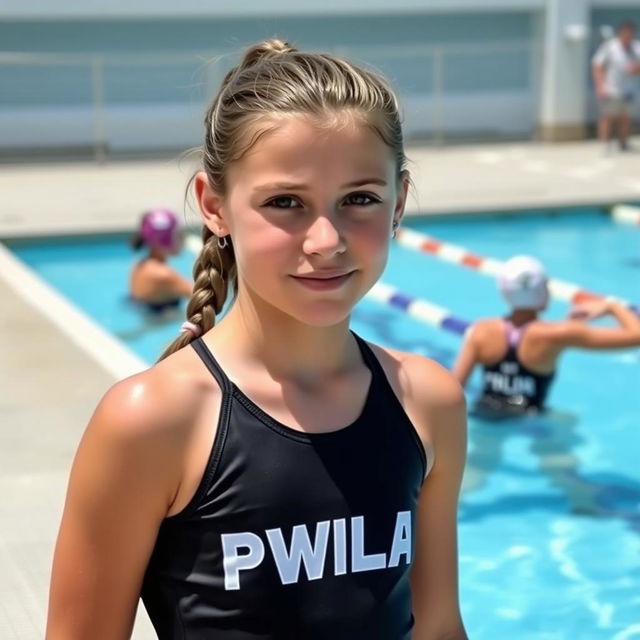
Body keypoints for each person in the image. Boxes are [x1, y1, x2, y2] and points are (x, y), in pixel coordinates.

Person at [46, 40, 468, 640]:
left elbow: (441, 627)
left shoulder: (427, 402)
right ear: (214, 206)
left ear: (398, 201)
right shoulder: (156, 421)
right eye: (285, 203)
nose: (326, 240)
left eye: (360, 200)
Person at [453, 255, 640, 419]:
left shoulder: (481, 330)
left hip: (486, 415)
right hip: (532, 419)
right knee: (566, 422)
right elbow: (636, 336)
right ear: (541, 290)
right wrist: (611, 306)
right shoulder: (559, 334)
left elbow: (453, 392)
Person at [129, 208, 192, 313]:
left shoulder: (139, 264)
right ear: (164, 240)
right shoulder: (164, 275)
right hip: (161, 320)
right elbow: (199, 295)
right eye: (177, 234)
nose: (182, 238)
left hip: (146, 313)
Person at [592, 20, 640, 151]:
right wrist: (600, 86)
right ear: (621, 33)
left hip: (630, 89)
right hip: (611, 88)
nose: (628, 37)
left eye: (631, 34)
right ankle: (604, 144)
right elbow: (597, 65)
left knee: (626, 117)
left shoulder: (637, 47)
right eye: (626, 34)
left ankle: (623, 143)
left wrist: (636, 69)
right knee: (607, 116)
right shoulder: (610, 47)